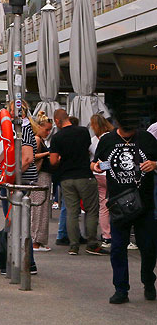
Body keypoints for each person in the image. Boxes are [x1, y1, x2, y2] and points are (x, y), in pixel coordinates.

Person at [92, 111, 157, 304]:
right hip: (119, 204)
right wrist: (95, 167)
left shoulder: (146, 138)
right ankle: (121, 289)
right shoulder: (108, 140)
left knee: (148, 248)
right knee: (118, 248)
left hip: (144, 203)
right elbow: (97, 163)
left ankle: (148, 281)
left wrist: (154, 164)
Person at [49, 108, 104, 256]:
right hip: (85, 175)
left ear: (57, 121)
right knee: (91, 210)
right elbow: (86, 150)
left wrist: (61, 159)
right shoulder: (83, 132)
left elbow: (53, 161)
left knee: (72, 212)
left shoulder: (57, 137)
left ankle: (73, 245)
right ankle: (91, 243)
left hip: (66, 178)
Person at [29, 111, 54, 252]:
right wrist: (48, 153)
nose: (48, 132)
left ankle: (38, 239)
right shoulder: (37, 140)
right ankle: (36, 240)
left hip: (41, 175)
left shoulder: (39, 139)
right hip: (40, 176)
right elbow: (32, 156)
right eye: (46, 129)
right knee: (40, 209)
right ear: (39, 127)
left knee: (41, 209)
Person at [90, 112, 115, 249]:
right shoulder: (111, 137)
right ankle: (117, 233)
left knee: (103, 205)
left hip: (98, 173)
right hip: (110, 173)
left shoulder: (94, 139)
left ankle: (106, 235)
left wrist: (96, 166)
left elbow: (94, 159)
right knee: (117, 202)